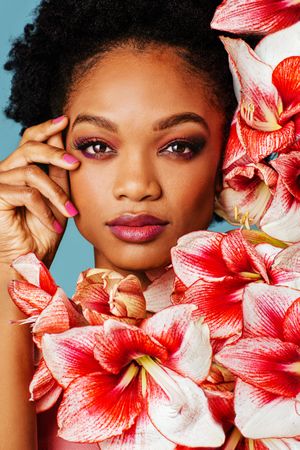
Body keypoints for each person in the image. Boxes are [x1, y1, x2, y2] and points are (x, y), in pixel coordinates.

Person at [0, 0, 236, 448]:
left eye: (178, 146)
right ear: (52, 155)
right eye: (97, 146)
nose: (136, 185)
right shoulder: (22, 362)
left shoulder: (278, 353)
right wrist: (8, 270)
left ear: (228, 153)